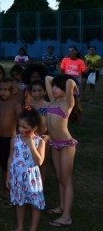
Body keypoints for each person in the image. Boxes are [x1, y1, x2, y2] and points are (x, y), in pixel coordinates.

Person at [44, 74, 81, 227]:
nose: (54, 89)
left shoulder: (67, 103)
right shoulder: (53, 100)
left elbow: (71, 81)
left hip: (66, 145)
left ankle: (67, 217)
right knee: (60, 177)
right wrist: (57, 81)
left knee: (66, 180)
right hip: (54, 143)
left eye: (58, 87)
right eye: (54, 86)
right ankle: (61, 206)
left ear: (66, 91)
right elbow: (47, 78)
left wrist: (71, 86)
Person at [6, 107, 46, 231]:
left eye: (25, 127)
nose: (21, 130)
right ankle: (20, 226)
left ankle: (33, 229)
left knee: (35, 204)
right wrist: (8, 176)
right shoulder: (15, 139)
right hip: (17, 176)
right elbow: (11, 158)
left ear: (34, 128)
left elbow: (39, 162)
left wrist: (31, 145)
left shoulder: (40, 142)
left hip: (32, 178)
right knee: (20, 202)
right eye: (20, 126)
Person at [0, 77, 22, 205]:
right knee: (4, 166)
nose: (3, 92)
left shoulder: (16, 105)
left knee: (12, 166)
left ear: (14, 90)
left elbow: (22, 122)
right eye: (1, 89)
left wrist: (20, 139)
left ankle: (14, 192)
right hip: (0, 137)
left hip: (12, 139)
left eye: (6, 90)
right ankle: (7, 190)